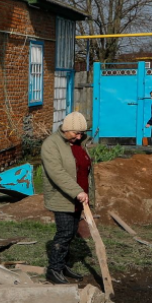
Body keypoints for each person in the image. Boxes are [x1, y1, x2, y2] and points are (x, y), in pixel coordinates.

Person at [41, 112, 93, 284]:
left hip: (78, 197)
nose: (79, 137)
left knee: (71, 233)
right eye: (75, 133)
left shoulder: (78, 143)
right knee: (64, 233)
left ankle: (62, 265)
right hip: (62, 196)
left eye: (81, 133)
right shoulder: (51, 145)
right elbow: (57, 173)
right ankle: (54, 270)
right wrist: (76, 191)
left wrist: (84, 193)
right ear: (65, 129)